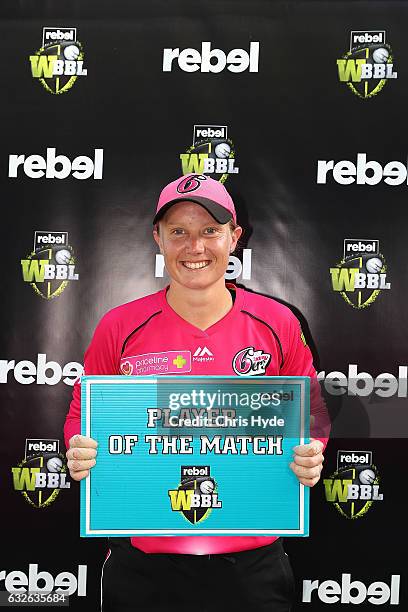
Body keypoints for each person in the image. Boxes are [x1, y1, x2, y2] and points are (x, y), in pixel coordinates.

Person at [64, 173, 329, 612]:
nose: (196, 247)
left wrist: (310, 451)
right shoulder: (120, 325)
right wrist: (80, 450)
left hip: (250, 562)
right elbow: (82, 414)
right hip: (145, 564)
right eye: (179, 232)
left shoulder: (278, 323)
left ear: (235, 236)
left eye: (210, 230)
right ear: (158, 238)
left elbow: (313, 413)